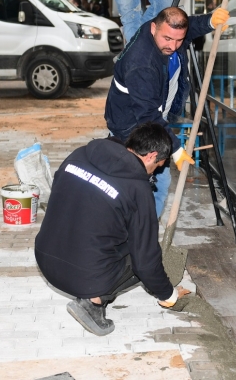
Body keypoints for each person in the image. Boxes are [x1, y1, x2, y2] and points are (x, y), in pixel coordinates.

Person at [34, 122, 182, 336]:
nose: (155, 171)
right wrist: (168, 294)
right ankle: (93, 304)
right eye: (158, 165)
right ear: (151, 156)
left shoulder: (80, 155)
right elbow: (146, 263)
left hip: (45, 259)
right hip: (82, 279)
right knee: (141, 253)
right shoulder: (138, 189)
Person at [105, 6, 229, 218]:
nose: (173, 46)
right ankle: (140, 231)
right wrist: (176, 149)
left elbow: (187, 27)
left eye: (178, 40)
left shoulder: (162, 30)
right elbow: (148, 117)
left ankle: (142, 229)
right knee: (148, 186)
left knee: (147, 187)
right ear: (154, 28)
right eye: (168, 39)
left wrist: (210, 21)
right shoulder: (142, 63)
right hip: (131, 128)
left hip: (150, 116)